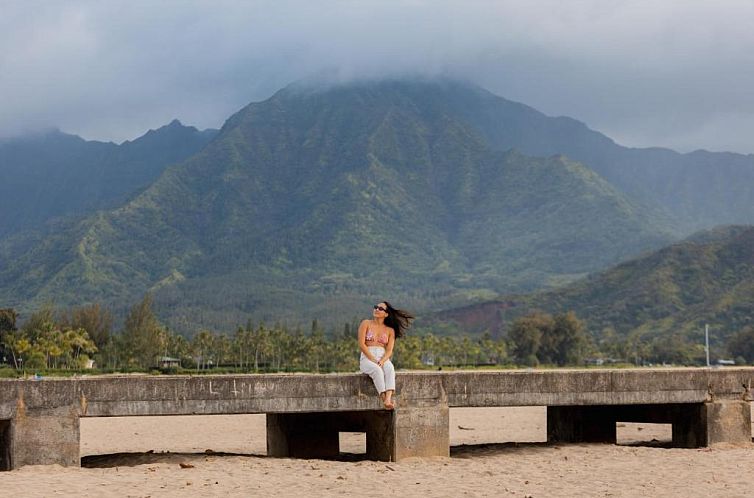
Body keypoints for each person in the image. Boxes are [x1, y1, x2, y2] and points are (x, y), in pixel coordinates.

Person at [358, 301, 414, 410]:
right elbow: (361, 344)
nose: (376, 309)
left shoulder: (390, 330)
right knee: (377, 370)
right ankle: (384, 400)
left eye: (380, 309)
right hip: (367, 357)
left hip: (382, 356)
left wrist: (383, 361)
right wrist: (373, 359)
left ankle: (388, 398)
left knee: (390, 368)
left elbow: (389, 350)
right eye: (376, 307)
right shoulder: (366, 323)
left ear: (386, 314)